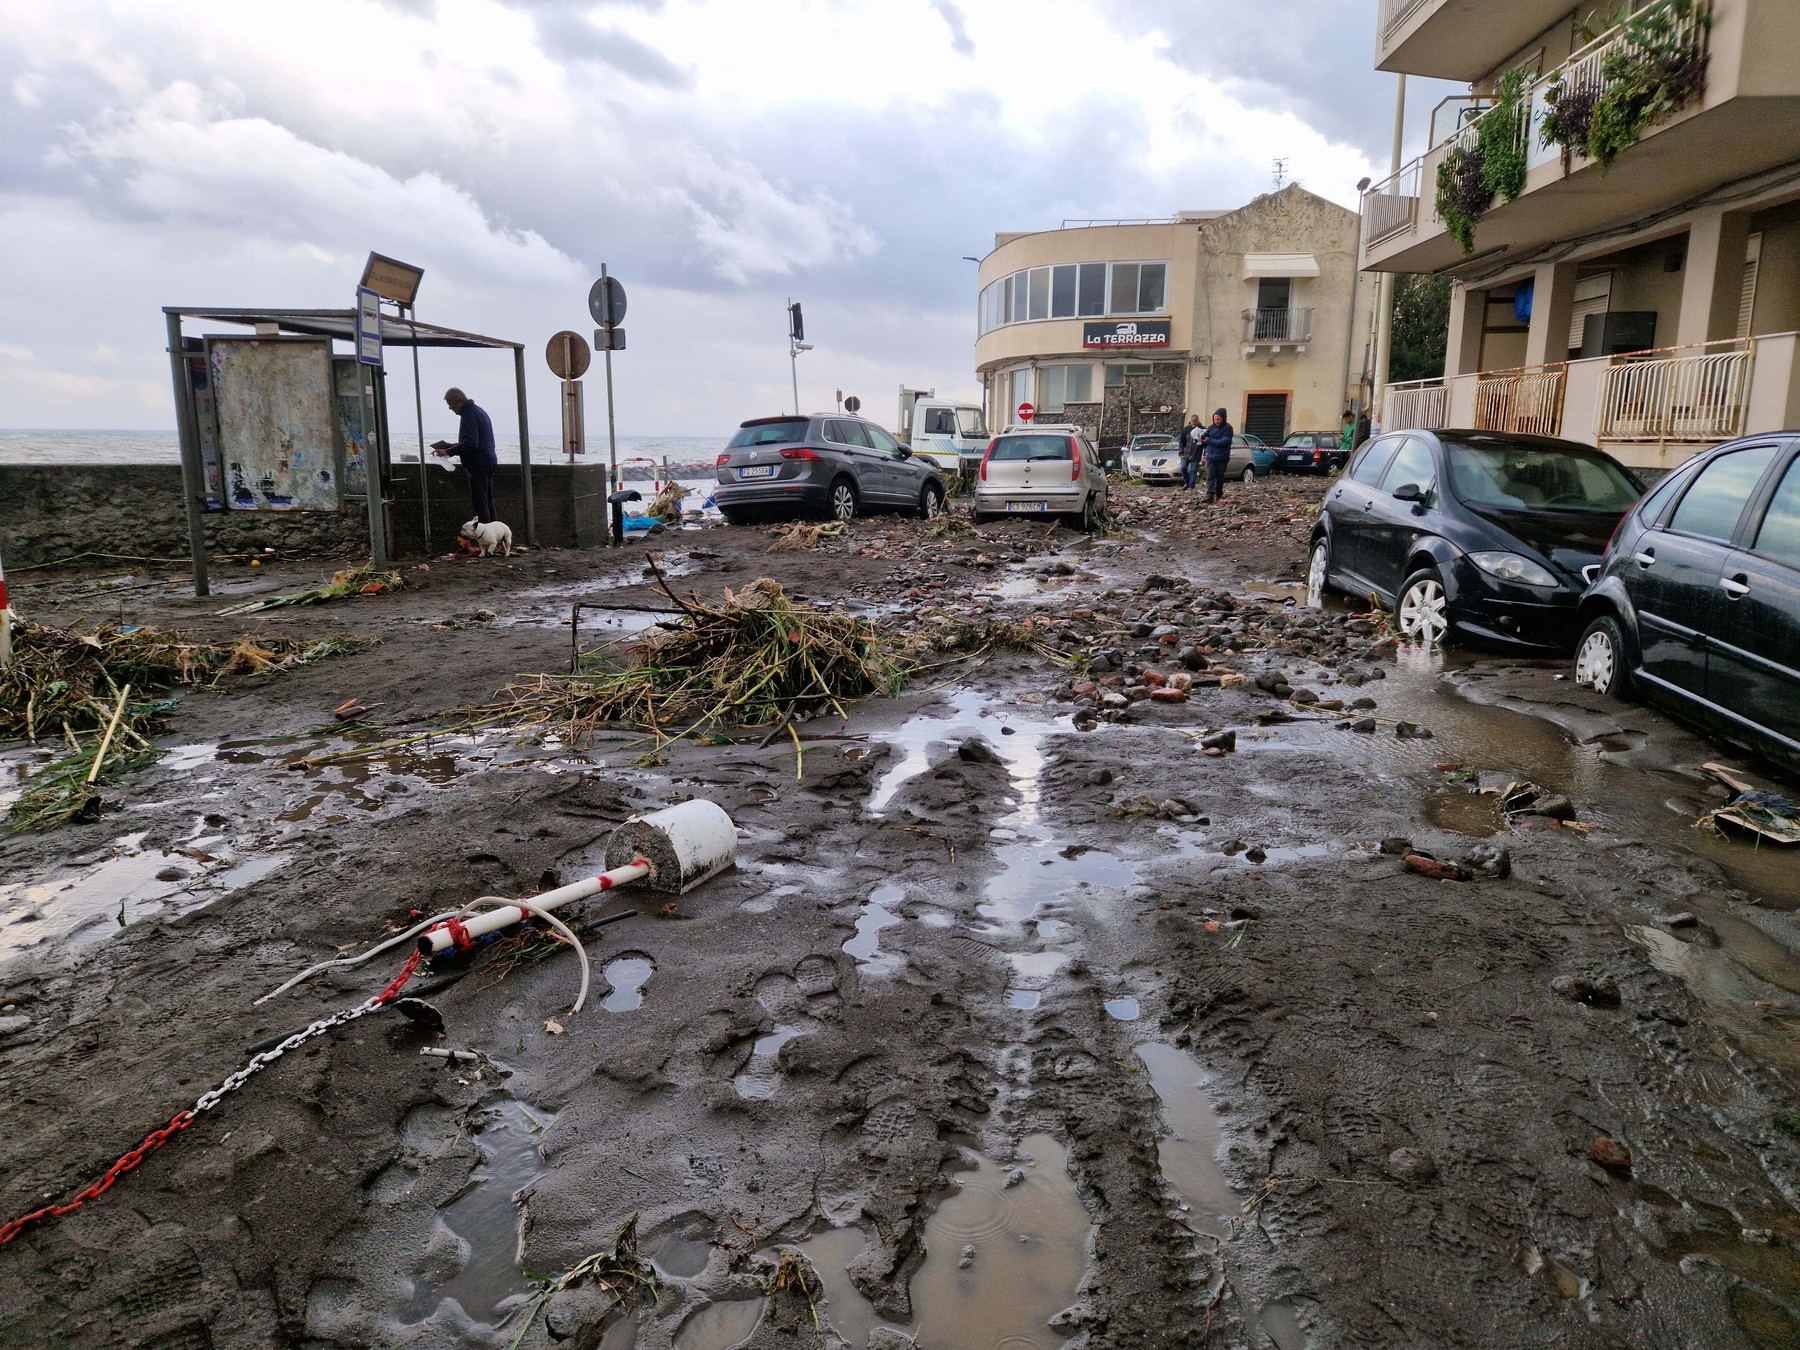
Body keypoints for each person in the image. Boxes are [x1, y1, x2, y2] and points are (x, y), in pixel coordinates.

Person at [433, 387, 498, 524]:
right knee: (487, 499)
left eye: (450, 404)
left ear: (457, 402)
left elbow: (470, 444)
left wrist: (448, 452)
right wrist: (449, 447)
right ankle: (494, 534)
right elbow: (473, 441)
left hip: (478, 464)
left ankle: (485, 537)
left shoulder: (469, 415)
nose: (450, 408)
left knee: (479, 501)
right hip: (488, 461)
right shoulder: (478, 411)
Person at [1201, 408, 1234, 503]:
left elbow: (1225, 441)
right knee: (1210, 476)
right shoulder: (1210, 428)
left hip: (1222, 457)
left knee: (1219, 477)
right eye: (1215, 419)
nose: (1216, 421)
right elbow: (1205, 439)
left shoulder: (1228, 428)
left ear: (1223, 418)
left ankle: (1218, 494)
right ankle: (1209, 495)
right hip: (1210, 457)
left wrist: (1210, 441)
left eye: (1218, 419)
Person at [1178, 414, 1202, 490]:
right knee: (1183, 468)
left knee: (1194, 470)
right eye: (1193, 423)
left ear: (1198, 422)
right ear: (1190, 422)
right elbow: (1181, 441)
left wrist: (1204, 454)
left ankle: (1191, 485)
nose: (1194, 425)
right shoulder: (1186, 429)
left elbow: (1204, 443)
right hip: (1186, 453)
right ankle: (1188, 482)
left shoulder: (1202, 429)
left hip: (1196, 453)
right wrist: (1181, 452)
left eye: (1195, 423)